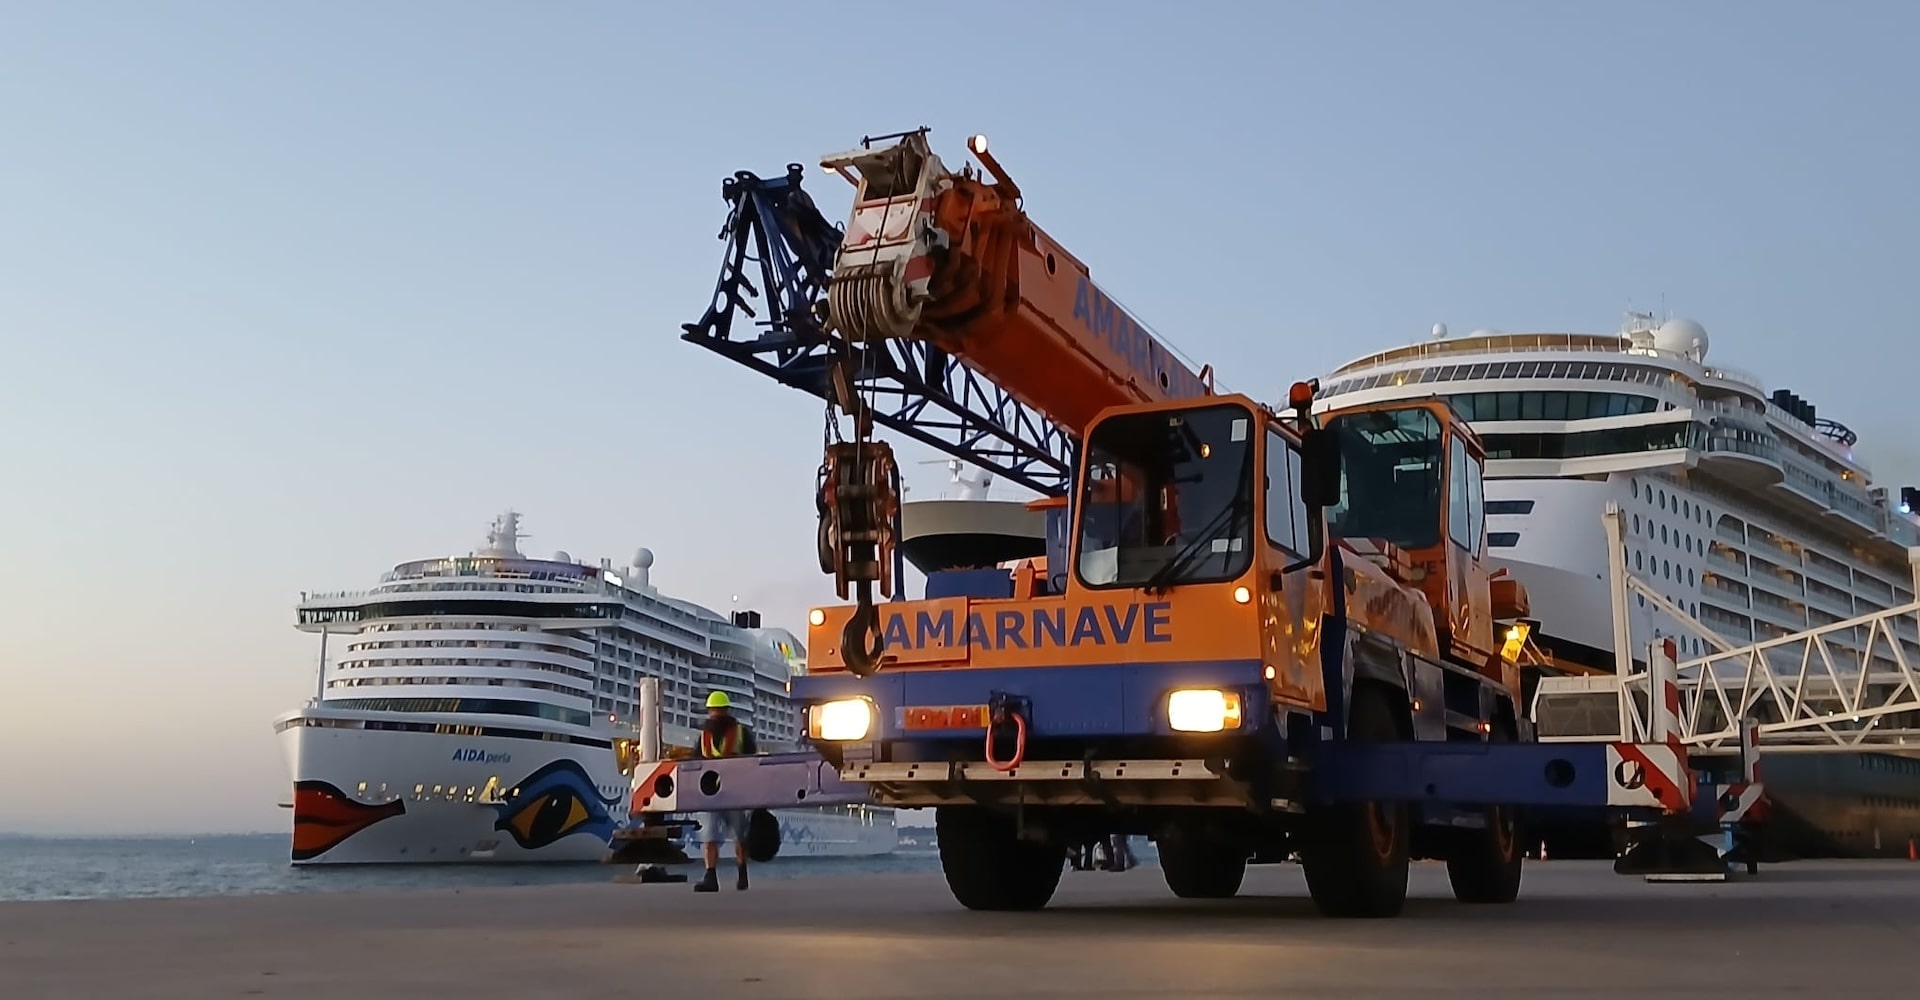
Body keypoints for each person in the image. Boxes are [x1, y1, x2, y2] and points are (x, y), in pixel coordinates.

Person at [693, 690, 759, 892]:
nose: (716, 714)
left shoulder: (706, 735)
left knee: (715, 837)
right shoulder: (740, 733)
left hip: (716, 793)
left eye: (716, 711)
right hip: (727, 793)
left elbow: (694, 762)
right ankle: (734, 875)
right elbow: (753, 760)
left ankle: (716, 876)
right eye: (716, 711)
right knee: (730, 836)